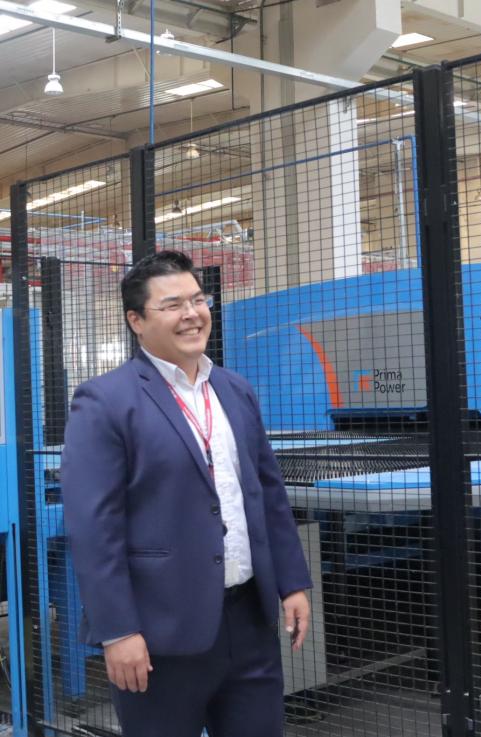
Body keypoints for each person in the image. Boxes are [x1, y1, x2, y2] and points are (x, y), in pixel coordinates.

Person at [61, 250, 313, 736]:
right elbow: (95, 528)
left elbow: (267, 494)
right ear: (136, 320)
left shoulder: (235, 391)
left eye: (199, 300)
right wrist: (118, 630)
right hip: (160, 633)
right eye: (173, 304)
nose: (192, 314)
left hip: (249, 622)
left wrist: (292, 582)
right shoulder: (106, 401)